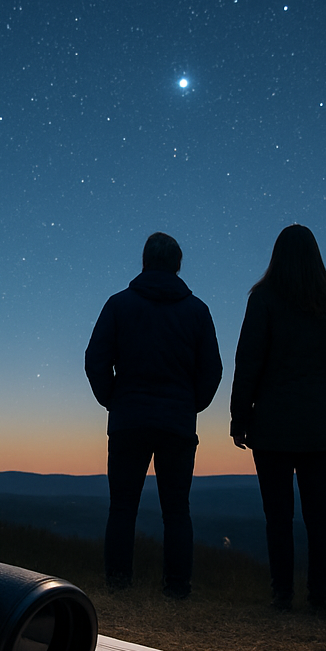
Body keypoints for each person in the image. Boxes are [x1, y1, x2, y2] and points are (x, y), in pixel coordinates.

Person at [85, 232, 222, 598]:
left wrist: (113, 399)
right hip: (176, 423)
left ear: (144, 261)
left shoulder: (119, 305)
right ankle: (177, 588)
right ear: (177, 264)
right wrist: (191, 405)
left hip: (129, 419)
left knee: (122, 505)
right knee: (177, 509)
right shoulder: (197, 311)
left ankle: (117, 582)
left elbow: (96, 360)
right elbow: (212, 371)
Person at [230, 225, 326, 613]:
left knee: (278, 515)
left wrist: (240, 417)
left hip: (271, 424)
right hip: (318, 423)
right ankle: (319, 595)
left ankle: (282, 592)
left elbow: (248, 362)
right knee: (320, 513)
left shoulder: (263, 298)